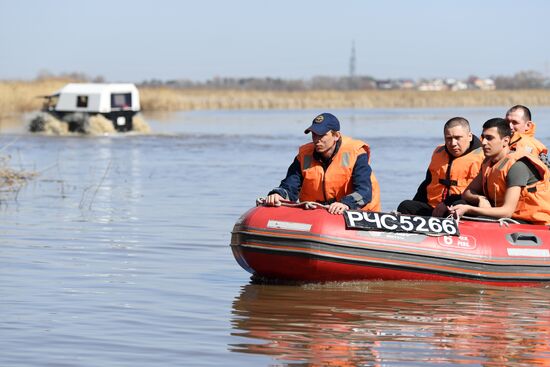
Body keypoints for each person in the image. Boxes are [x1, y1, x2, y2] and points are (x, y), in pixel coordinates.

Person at [265, 112, 381, 215]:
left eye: (322, 135)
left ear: (336, 136)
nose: (317, 139)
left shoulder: (355, 153)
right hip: (319, 214)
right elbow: (290, 186)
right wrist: (278, 194)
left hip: (358, 214)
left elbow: (364, 191)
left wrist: (346, 204)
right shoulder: (304, 156)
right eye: (314, 134)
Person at [449, 118, 550, 225]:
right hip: (507, 217)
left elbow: (506, 212)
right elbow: (468, 193)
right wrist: (480, 199)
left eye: (489, 138)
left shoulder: (517, 166)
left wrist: (469, 209)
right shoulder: (488, 162)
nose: (483, 142)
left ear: (505, 141)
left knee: (472, 216)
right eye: (483, 137)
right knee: (459, 203)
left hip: (531, 222)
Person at [397, 117, 484, 217]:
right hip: (434, 208)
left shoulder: (483, 157)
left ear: (469, 136)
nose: (453, 143)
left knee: (458, 206)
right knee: (405, 206)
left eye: (457, 138)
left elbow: (480, 193)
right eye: (449, 138)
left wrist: (447, 203)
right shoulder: (438, 152)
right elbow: (427, 183)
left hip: (461, 207)